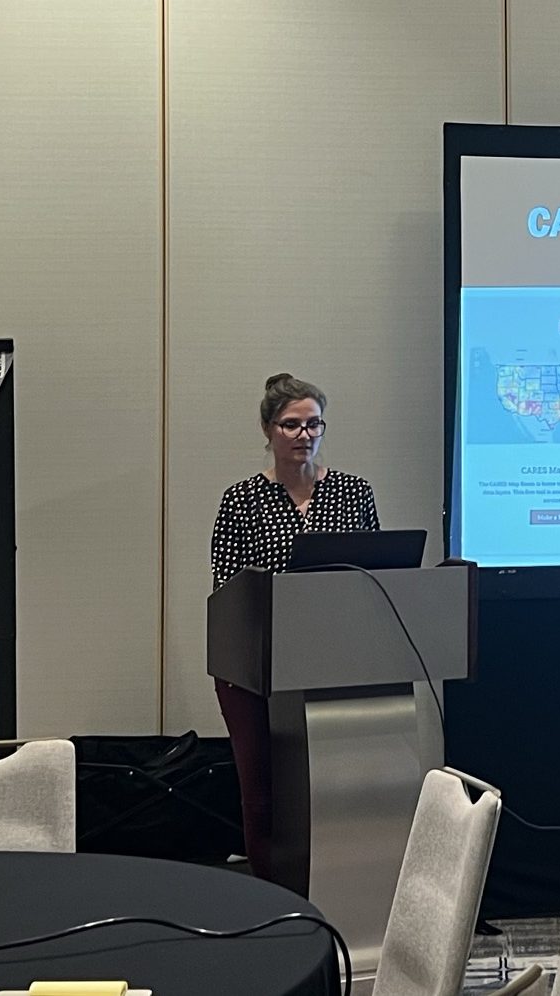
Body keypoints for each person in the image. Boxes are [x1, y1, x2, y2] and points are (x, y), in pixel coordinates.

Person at [209, 372, 379, 880]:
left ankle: (334, 887)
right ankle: (271, 894)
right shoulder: (240, 500)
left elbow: (373, 576)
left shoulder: (353, 492)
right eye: (291, 425)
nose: (304, 435)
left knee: (326, 789)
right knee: (262, 792)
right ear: (267, 430)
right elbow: (228, 588)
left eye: (314, 424)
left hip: (332, 664)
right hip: (254, 667)